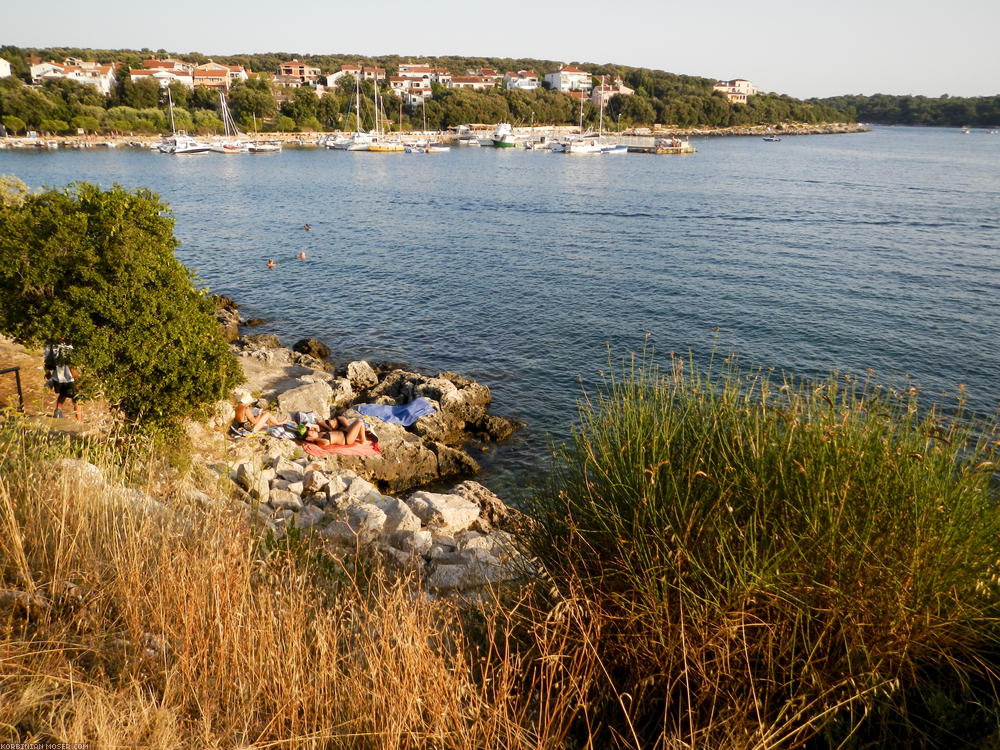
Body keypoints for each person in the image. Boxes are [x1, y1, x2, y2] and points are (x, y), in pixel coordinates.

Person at [43, 338, 81, 421]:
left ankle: (58, 411)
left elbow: (46, 362)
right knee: (76, 398)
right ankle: (79, 420)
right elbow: (72, 367)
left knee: (63, 394)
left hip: (57, 378)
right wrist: (77, 380)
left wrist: (48, 374)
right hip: (69, 378)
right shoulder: (69, 347)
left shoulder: (52, 346)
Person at [302, 415, 368, 447]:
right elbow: (326, 442)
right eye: (310, 433)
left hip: (344, 432)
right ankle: (363, 441)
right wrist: (314, 439)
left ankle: (362, 439)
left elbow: (317, 423)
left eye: (311, 431)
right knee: (359, 421)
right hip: (346, 438)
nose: (311, 431)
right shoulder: (319, 440)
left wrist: (310, 426)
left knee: (360, 424)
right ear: (309, 438)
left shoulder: (320, 432)